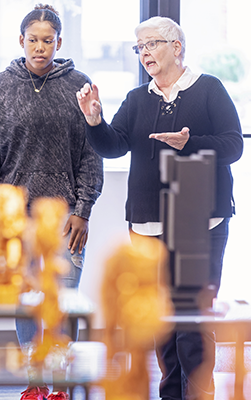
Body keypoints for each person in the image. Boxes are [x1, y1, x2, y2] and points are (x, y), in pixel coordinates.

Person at [76, 16, 243, 400]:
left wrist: (191, 144)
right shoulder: (137, 99)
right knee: (159, 320)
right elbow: (113, 145)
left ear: (176, 47)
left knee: (194, 320)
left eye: (150, 44)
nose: (144, 54)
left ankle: (200, 394)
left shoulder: (209, 90)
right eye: (139, 48)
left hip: (203, 223)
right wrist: (94, 120)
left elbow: (234, 145)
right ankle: (170, 394)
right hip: (147, 225)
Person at [0, 4, 103, 400]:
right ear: (21, 41)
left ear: (59, 42)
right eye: (33, 40)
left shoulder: (78, 85)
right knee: (27, 303)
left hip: (66, 220)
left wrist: (84, 209)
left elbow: (90, 154)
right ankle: (34, 382)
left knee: (62, 304)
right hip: (16, 220)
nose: (40, 47)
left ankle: (61, 384)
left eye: (48, 41)